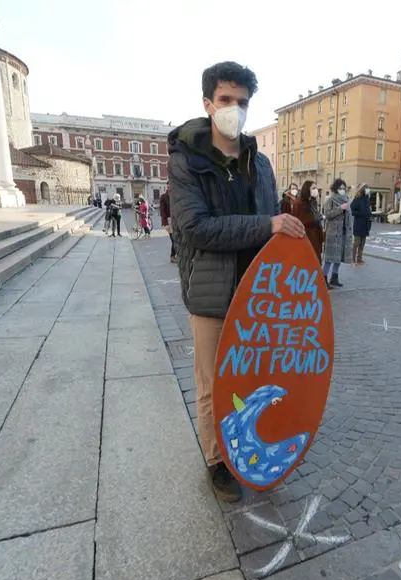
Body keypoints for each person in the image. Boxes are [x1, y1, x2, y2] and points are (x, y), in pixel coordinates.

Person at [170, 61, 305, 502]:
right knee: (212, 385)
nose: (235, 110)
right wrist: (266, 226)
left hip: (258, 294)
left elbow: (274, 226)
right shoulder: (187, 160)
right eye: (226, 101)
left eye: (242, 102)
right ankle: (217, 461)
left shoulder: (260, 163)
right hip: (211, 292)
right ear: (208, 103)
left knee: (252, 380)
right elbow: (195, 227)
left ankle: (249, 447)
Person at [281, 180, 323, 261]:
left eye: (316, 188)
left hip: (315, 238)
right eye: (313, 188)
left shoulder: (312, 202)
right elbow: (300, 220)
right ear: (307, 189)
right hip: (306, 238)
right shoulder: (299, 203)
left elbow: (315, 216)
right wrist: (316, 219)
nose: (316, 190)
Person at [322, 178, 354, 287]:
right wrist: (340, 208)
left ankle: (334, 277)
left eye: (344, 188)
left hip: (344, 232)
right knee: (330, 258)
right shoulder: (331, 200)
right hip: (333, 233)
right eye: (340, 188)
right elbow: (327, 214)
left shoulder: (347, 199)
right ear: (335, 189)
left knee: (339, 257)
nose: (342, 190)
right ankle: (323, 278)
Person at [350, 183, 372, 266]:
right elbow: (352, 210)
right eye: (366, 188)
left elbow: (368, 211)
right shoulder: (357, 198)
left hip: (366, 224)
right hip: (358, 224)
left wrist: (369, 215)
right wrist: (360, 213)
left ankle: (359, 259)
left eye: (368, 188)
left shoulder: (367, 199)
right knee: (356, 243)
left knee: (362, 244)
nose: (368, 189)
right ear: (362, 189)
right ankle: (353, 259)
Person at [159, 185, 176, 262]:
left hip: (177, 220)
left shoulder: (175, 195)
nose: (170, 187)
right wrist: (165, 223)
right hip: (169, 220)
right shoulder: (164, 197)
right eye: (168, 186)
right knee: (174, 240)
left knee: (178, 239)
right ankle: (172, 256)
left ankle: (175, 256)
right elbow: (162, 212)